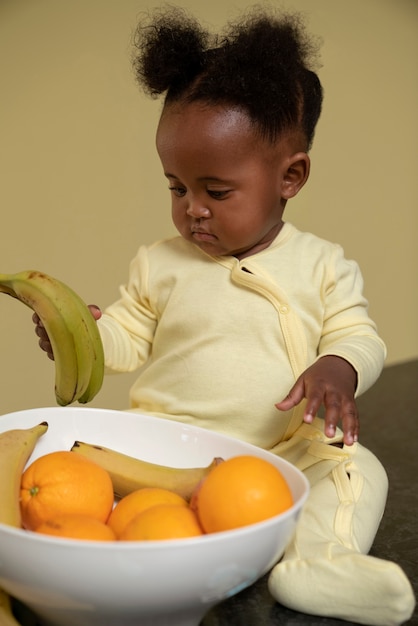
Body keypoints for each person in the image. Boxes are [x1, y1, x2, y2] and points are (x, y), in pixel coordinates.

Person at [35, 6, 415, 624]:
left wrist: (336, 369)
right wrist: (82, 334)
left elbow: (357, 334)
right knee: (77, 463)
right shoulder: (159, 263)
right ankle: (116, 564)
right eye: (175, 188)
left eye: (216, 191)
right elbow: (126, 335)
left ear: (290, 177)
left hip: (281, 452)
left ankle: (320, 565)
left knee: (351, 466)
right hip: (168, 448)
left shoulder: (323, 265)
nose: (193, 211)